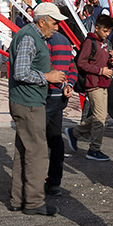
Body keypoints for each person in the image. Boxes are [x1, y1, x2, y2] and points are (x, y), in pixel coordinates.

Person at [9, 2, 67, 215]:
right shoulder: (29, 37)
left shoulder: (33, 36)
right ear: (41, 21)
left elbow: (28, 68)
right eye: (54, 23)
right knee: (37, 152)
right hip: (28, 102)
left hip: (27, 100)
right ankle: (33, 203)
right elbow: (21, 72)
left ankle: (18, 198)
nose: (57, 27)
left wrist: (57, 78)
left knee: (24, 150)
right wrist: (47, 77)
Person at [67, 13, 113, 161]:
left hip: (103, 83)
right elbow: (81, 63)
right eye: (105, 31)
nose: (107, 34)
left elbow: (102, 59)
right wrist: (100, 70)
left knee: (99, 115)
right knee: (100, 117)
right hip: (93, 82)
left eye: (109, 32)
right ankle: (94, 149)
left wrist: (111, 62)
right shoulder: (89, 42)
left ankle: (74, 132)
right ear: (97, 28)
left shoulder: (105, 43)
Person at [45, 27, 77, 196]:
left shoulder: (45, 41)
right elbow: (73, 68)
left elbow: (41, 68)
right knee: (55, 139)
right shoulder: (64, 41)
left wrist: (64, 83)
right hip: (59, 97)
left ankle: (32, 184)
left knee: (38, 141)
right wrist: (69, 85)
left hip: (45, 96)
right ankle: (54, 182)